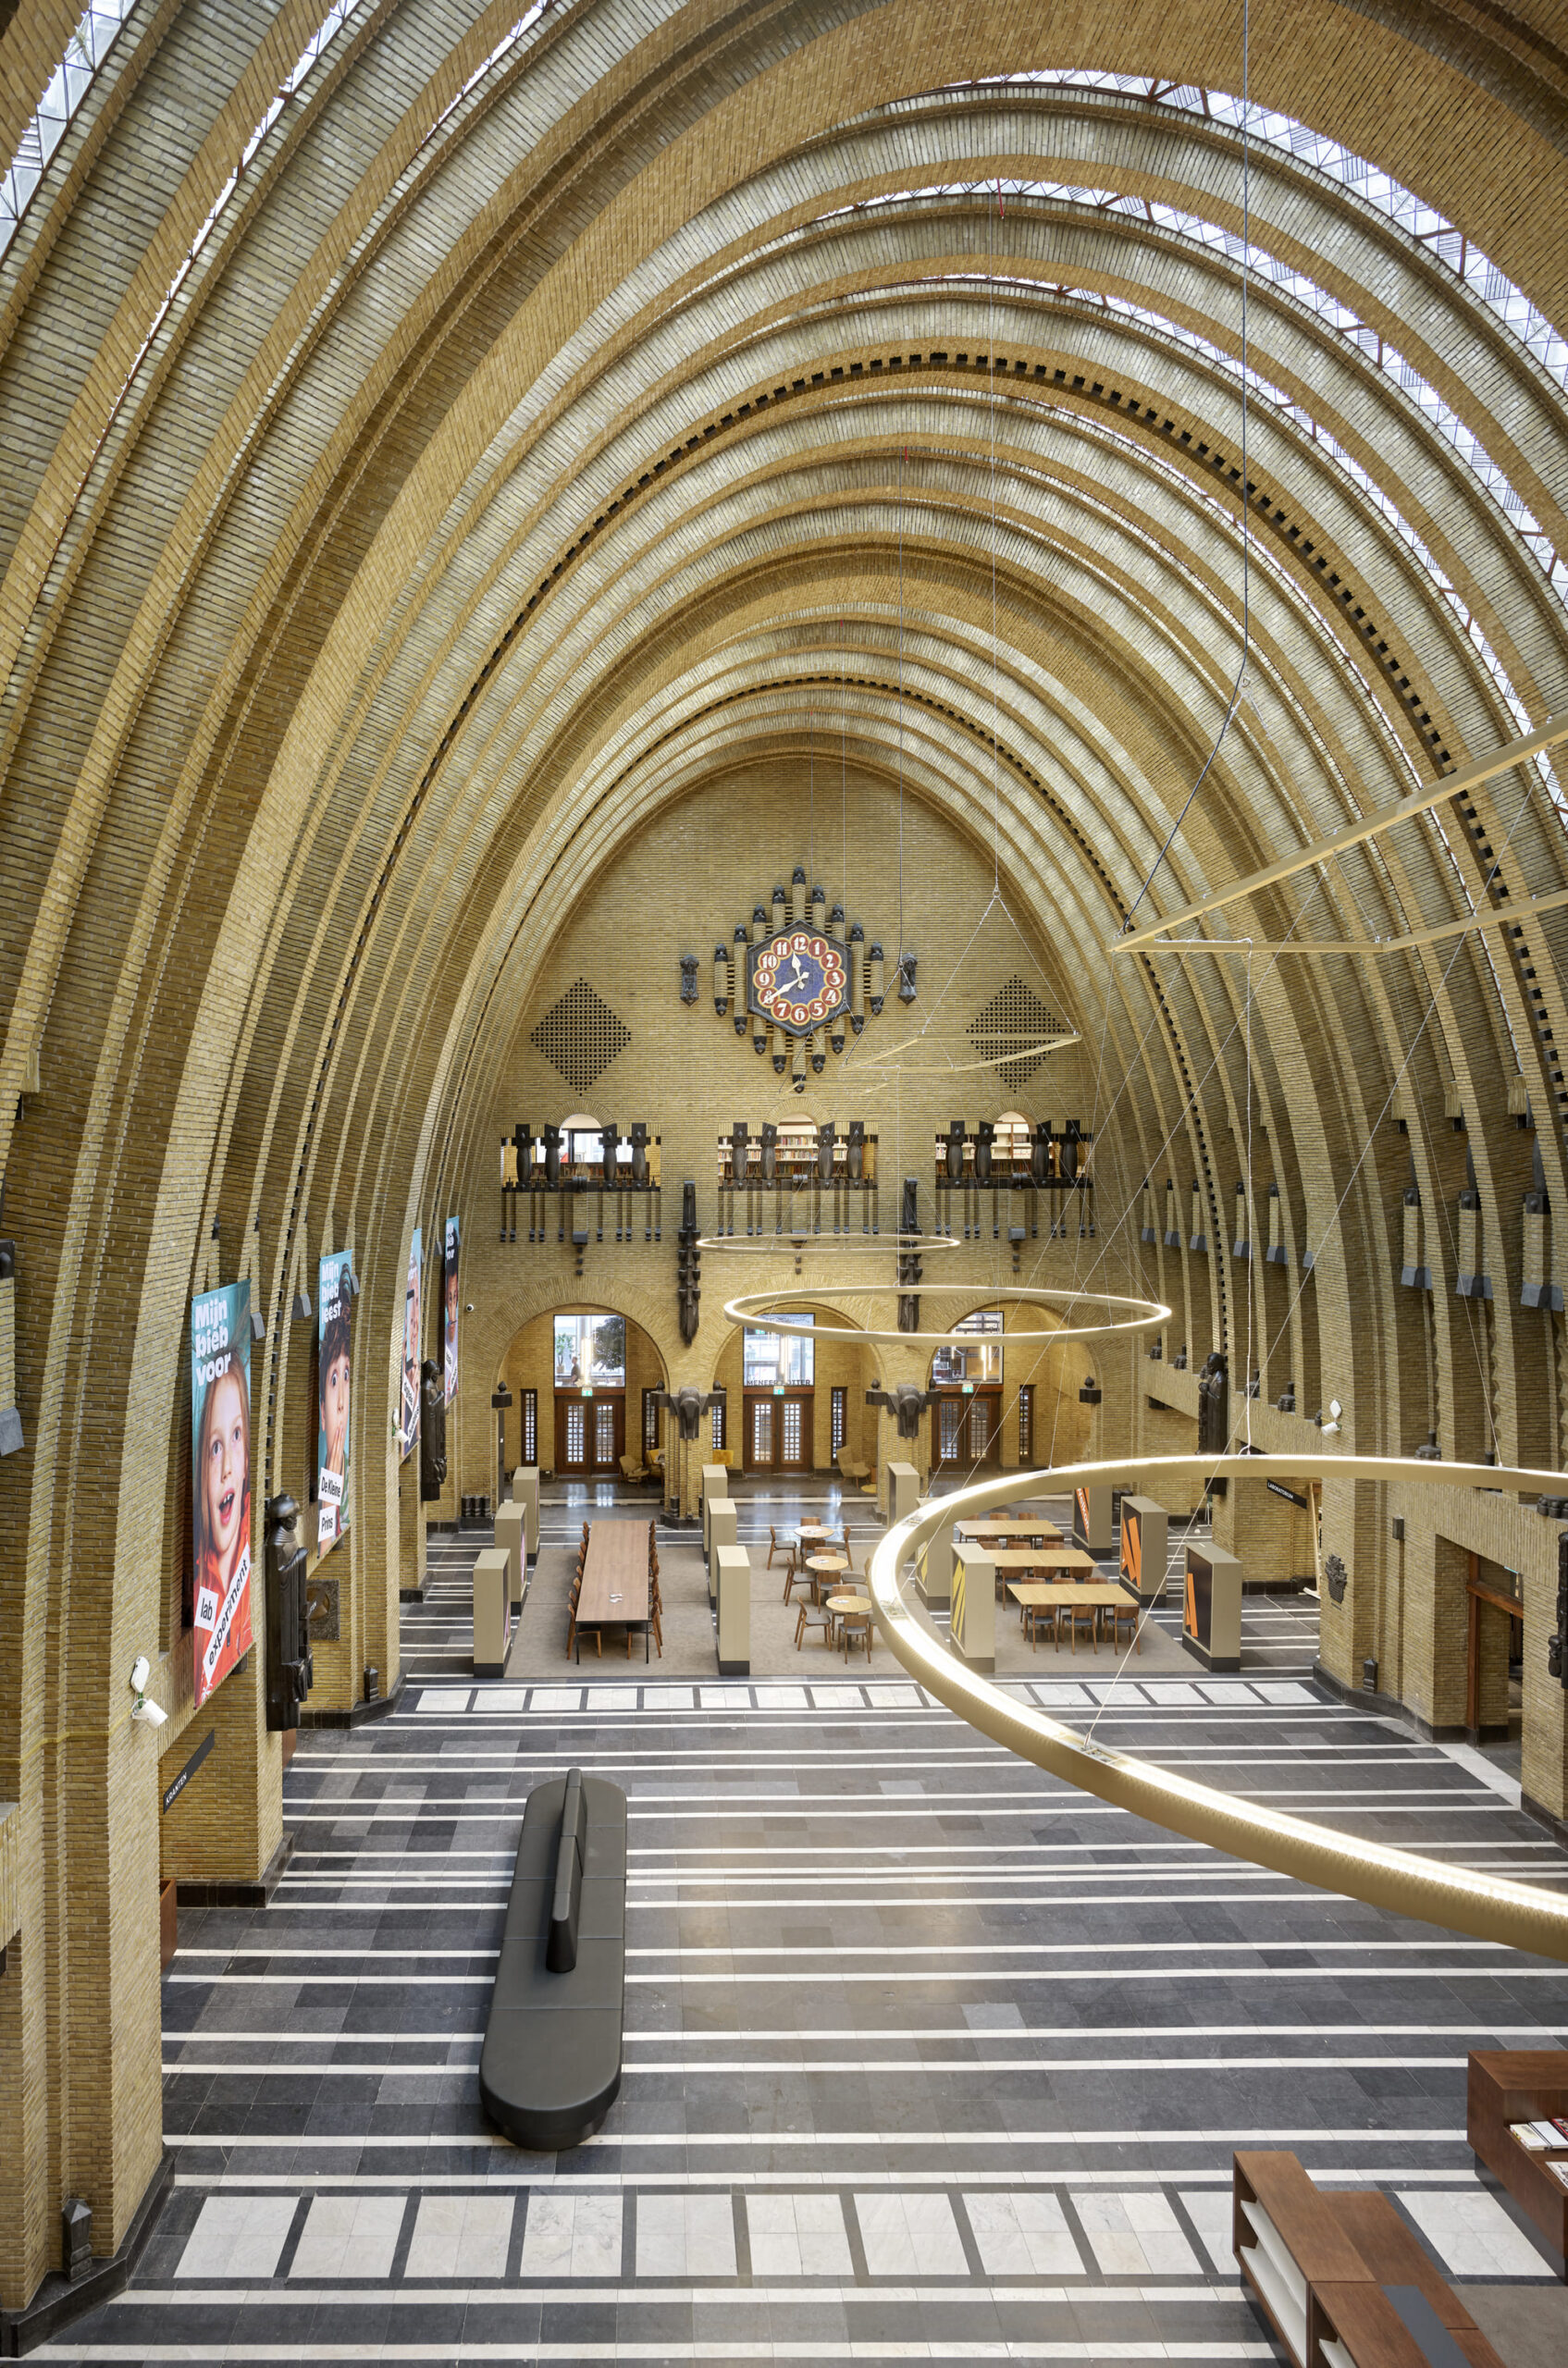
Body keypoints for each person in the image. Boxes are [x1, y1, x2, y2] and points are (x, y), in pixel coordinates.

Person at [194, 1354, 253, 1694]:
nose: (227, 1466)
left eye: (236, 1435)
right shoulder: (204, 1584)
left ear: (247, 1459)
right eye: (215, 1448)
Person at [318, 1304, 351, 1541]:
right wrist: (328, 1497)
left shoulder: (351, 1475)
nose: (341, 1402)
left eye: (346, 1376)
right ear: (322, 1413)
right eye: (334, 1379)